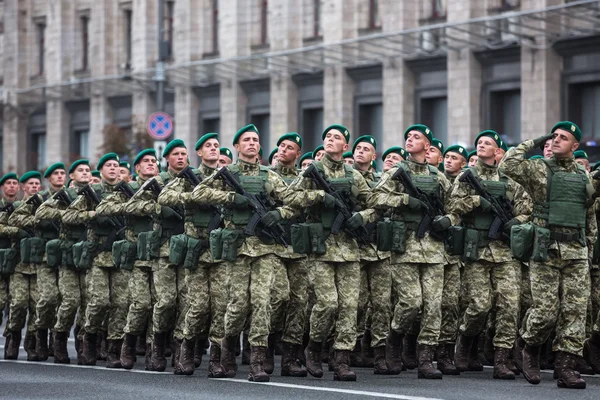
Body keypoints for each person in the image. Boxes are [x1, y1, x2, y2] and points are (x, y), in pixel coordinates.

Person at [189, 124, 296, 382]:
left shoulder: (269, 176)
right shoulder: (228, 173)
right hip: (236, 248)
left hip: (264, 248)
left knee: (261, 302)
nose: (251, 143)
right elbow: (198, 193)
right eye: (246, 140)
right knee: (237, 304)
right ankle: (226, 352)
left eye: (255, 140)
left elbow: (295, 200)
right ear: (237, 147)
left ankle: (257, 362)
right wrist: (230, 199)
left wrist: (278, 214)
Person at [500, 121, 595, 389]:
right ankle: (528, 347)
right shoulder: (539, 168)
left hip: (576, 251)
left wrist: (588, 247)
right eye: (553, 137)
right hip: (546, 250)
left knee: (576, 312)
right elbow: (507, 166)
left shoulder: (581, 174)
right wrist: (532, 143)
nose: (555, 141)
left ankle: (566, 367)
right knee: (545, 311)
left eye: (562, 138)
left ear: (575, 146)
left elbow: (588, 216)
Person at [285, 124, 376, 382]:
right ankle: (313, 349)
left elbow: (375, 204)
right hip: (321, 247)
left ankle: (342, 358)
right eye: (327, 136)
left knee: (350, 306)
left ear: (345, 147)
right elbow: (290, 198)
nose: (330, 140)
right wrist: (318, 196)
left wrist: (362, 216)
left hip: (348, 248)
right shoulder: (313, 171)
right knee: (327, 303)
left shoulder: (353, 176)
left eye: (336, 138)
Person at [368, 126, 456, 380]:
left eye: (416, 137)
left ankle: (426, 358)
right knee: (411, 301)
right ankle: (394, 339)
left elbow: (455, 205)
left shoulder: (438, 177)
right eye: (408, 136)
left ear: (428, 148)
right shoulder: (398, 172)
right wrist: (404, 200)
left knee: (433, 305)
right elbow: (375, 198)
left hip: (433, 248)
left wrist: (448, 219)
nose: (410, 139)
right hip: (405, 245)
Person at [448, 130, 532, 380]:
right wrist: (476, 201)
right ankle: (464, 340)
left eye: (488, 143)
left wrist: (514, 221)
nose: (482, 146)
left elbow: (527, 209)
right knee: (480, 305)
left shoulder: (510, 179)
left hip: (505, 252)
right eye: (479, 143)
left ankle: (502, 359)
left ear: (498, 152)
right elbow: (452, 206)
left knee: (509, 305)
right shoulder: (467, 176)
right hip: (478, 249)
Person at [157, 133, 227, 378]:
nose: (213, 149)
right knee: (197, 306)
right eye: (208, 146)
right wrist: (192, 197)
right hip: (196, 250)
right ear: (199, 153)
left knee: (220, 307)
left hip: (220, 251)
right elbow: (164, 197)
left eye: (216, 146)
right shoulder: (190, 177)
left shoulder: (227, 176)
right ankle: (185, 351)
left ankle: (216, 360)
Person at [62, 153, 130, 367]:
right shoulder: (92, 193)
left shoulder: (126, 192)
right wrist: (91, 214)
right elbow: (68, 216)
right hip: (98, 256)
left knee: (120, 304)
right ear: (100, 171)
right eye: (108, 165)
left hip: (119, 256)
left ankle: (113, 350)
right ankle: (88, 338)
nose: (113, 169)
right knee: (99, 301)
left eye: (116, 165)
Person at [40, 160, 92, 364]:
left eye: (88, 170)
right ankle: (59, 338)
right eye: (81, 170)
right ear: (72, 176)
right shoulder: (67, 195)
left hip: (89, 254)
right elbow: (42, 213)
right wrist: (68, 214)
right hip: (69, 254)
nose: (85, 173)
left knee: (88, 302)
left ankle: (82, 344)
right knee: (70, 301)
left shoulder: (95, 193)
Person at [352, 135, 395, 374]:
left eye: (366, 148)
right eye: (357, 148)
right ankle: (353, 348)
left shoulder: (381, 180)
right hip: (355, 249)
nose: (360, 151)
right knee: (356, 304)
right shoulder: (346, 178)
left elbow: (385, 205)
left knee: (381, 304)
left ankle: (379, 353)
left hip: (379, 249)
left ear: (374, 156)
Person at [268, 132, 309, 377]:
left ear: (298, 154)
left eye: (289, 147)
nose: (283, 150)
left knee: (299, 302)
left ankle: (291, 357)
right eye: (281, 146)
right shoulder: (266, 175)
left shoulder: (305, 178)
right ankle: (268, 345)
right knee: (278, 298)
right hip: (273, 246)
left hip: (298, 246)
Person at [114, 149, 159, 370]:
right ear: (137, 168)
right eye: (145, 161)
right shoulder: (128, 189)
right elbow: (106, 207)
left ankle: (153, 350)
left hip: (160, 255)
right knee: (141, 304)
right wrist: (148, 206)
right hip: (137, 257)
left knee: (160, 305)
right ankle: (128, 344)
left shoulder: (165, 188)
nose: (151, 164)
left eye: (154, 161)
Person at [2, 171, 43, 360]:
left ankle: (31, 344)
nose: (34, 186)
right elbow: (6, 224)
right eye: (30, 184)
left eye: (37, 184)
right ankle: (13, 337)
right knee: (18, 304)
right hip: (19, 263)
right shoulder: (16, 208)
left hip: (38, 264)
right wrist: (18, 231)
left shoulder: (44, 206)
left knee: (36, 306)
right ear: (23, 187)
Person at [31, 163, 67, 361]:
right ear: (48, 178)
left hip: (65, 254)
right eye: (56, 174)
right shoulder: (40, 198)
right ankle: (40, 337)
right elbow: (22, 217)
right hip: (45, 255)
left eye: (63, 173)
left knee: (65, 300)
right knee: (48, 298)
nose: (60, 176)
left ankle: (57, 342)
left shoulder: (72, 196)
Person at [0, 173, 20, 324]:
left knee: (18, 303)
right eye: (8, 183)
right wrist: (15, 230)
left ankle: (11, 343)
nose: (12, 186)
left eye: (14, 183)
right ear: (2, 187)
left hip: (16, 260)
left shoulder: (22, 207)